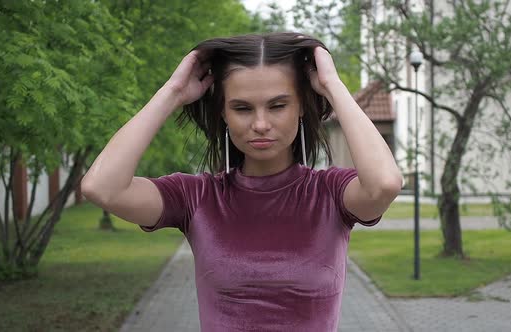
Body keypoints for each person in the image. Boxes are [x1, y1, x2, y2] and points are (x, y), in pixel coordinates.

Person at [81, 32, 403, 332]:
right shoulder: (197, 197)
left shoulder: (330, 194)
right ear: (223, 112)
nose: (260, 124)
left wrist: (333, 85)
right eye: (242, 108)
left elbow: (385, 184)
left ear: (302, 107)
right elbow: (102, 188)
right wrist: (173, 92)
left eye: (278, 105)